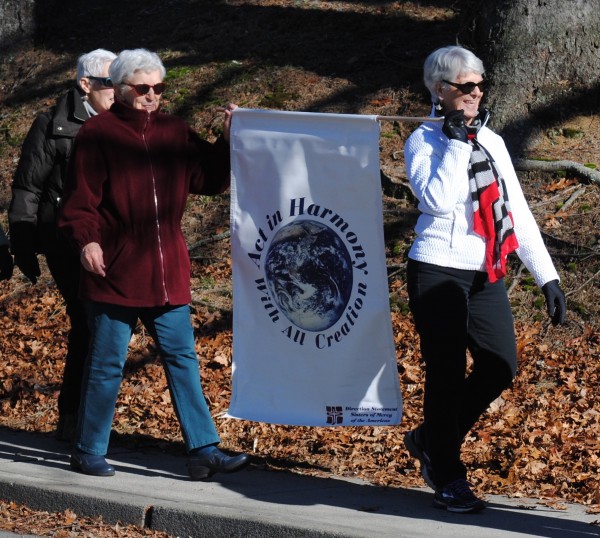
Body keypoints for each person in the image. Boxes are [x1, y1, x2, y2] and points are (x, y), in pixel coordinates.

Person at [58, 48, 249, 479]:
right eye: (142, 89)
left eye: (158, 89)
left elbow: (210, 180)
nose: (151, 97)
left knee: (183, 358)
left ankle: (204, 449)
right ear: (122, 90)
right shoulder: (98, 133)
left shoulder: (175, 132)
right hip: (116, 272)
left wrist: (226, 137)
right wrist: (87, 243)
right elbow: (78, 203)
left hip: (168, 271)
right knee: (106, 363)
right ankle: (88, 449)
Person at [402, 45, 566, 513]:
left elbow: (517, 210)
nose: (476, 93)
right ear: (441, 90)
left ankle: (431, 440)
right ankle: (448, 473)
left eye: (479, 85)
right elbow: (436, 199)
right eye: (465, 86)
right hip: (436, 270)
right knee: (448, 373)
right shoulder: (423, 141)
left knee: (500, 364)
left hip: (484, 271)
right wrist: (454, 142)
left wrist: (547, 276)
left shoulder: (491, 140)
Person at [8, 48, 117, 442]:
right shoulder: (52, 124)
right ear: (85, 85)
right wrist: (23, 243)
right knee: (90, 323)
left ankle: (89, 419)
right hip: (65, 240)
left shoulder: (125, 122)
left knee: (103, 327)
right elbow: (28, 186)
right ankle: (75, 419)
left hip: (113, 243)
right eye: (109, 83)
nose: (117, 90)